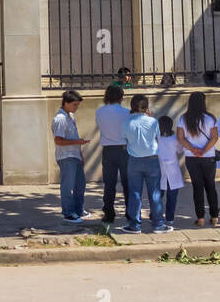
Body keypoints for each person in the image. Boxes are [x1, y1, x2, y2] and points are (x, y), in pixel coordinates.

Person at [121, 95, 166, 234]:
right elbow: (158, 138)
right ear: (147, 107)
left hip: (134, 159)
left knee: (135, 193)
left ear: (132, 107)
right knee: (155, 193)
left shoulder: (126, 122)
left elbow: (125, 142)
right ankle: (158, 223)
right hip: (152, 159)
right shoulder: (153, 121)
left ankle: (134, 224)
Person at [177, 92, 220, 227]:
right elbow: (214, 137)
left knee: (197, 187)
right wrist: (203, 150)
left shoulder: (183, 119)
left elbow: (181, 138)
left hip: (191, 157)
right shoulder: (210, 118)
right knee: (210, 186)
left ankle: (200, 217)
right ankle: (214, 216)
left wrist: (193, 149)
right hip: (208, 157)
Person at [52, 89, 93, 223]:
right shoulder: (60, 119)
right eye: (74, 104)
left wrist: (80, 154)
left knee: (80, 185)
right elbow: (58, 140)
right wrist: (78, 142)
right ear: (66, 103)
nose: (76, 108)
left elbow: (73, 137)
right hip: (66, 157)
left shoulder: (70, 116)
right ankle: (68, 212)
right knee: (67, 186)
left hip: (75, 155)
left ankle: (78, 209)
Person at [95, 85, 130, 224]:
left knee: (109, 183)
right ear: (121, 97)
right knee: (128, 183)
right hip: (124, 149)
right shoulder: (127, 113)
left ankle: (109, 213)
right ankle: (130, 212)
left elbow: (100, 127)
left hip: (108, 150)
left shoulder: (100, 112)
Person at [157, 114, 185, 229]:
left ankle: (155, 215)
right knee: (172, 197)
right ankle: (169, 218)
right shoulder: (175, 139)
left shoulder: (157, 138)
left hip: (159, 170)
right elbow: (180, 151)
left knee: (157, 196)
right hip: (173, 171)